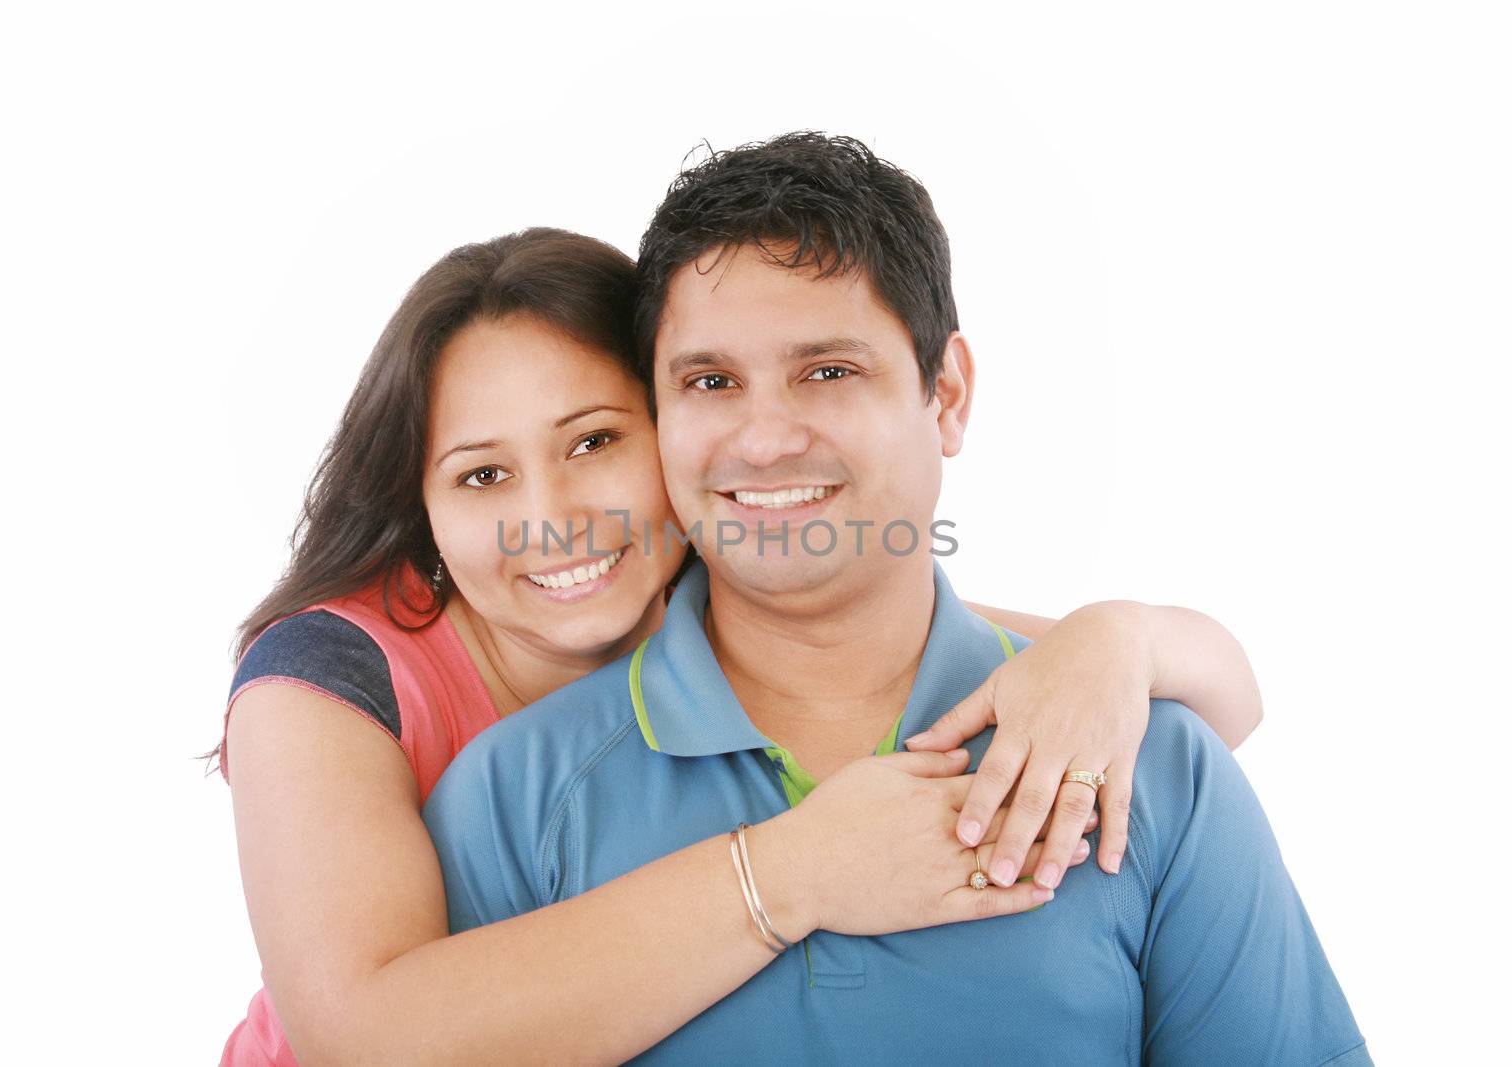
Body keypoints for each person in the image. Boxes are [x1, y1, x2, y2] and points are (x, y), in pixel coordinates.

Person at [424, 134, 1369, 1064]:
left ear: (946, 393)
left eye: (827, 372)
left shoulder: (1153, 765)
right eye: (711, 382)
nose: (763, 440)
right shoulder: (509, 801)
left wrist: (1119, 635)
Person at [221, 227, 1265, 1065]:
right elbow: (362, 1035)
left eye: (594, 441)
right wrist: (799, 868)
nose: (556, 518)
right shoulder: (326, 679)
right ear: (423, 504)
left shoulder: (708, 573)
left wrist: (1112, 638)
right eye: (482, 476)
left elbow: (1218, 692)